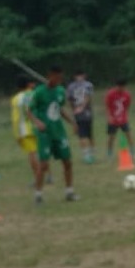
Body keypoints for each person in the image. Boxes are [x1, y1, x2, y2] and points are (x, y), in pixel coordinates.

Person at [27, 66, 79, 203]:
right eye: (57, 77)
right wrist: (37, 122)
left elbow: (59, 109)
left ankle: (69, 192)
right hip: (45, 133)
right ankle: (38, 195)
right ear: (50, 76)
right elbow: (29, 111)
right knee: (43, 164)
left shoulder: (60, 91)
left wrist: (72, 122)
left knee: (67, 161)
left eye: (61, 78)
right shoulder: (39, 92)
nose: (59, 80)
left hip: (59, 132)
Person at [66, 70, 95, 163]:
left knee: (89, 134)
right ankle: (86, 155)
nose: (79, 77)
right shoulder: (71, 87)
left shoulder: (88, 85)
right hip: (79, 114)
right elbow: (70, 100)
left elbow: (88, 97)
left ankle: (91, 153)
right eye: (78, 75)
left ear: (84, 75)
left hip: (87, 113)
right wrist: (74, 110)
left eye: (81, 75)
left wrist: (81, 107)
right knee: (81, 134)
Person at [105, 79, 135, 157]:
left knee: (129, 135)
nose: (121, 89)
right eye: (119, 87)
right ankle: (109, 153)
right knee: (111, 137)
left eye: (123, 87)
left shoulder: (127, 95)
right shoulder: (110, 94)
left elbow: (127, 106)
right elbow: (107, 106)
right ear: (116, 86)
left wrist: (125, 115)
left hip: (123, 119)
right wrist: (109, 117)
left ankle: (133, 152)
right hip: (113, 119)